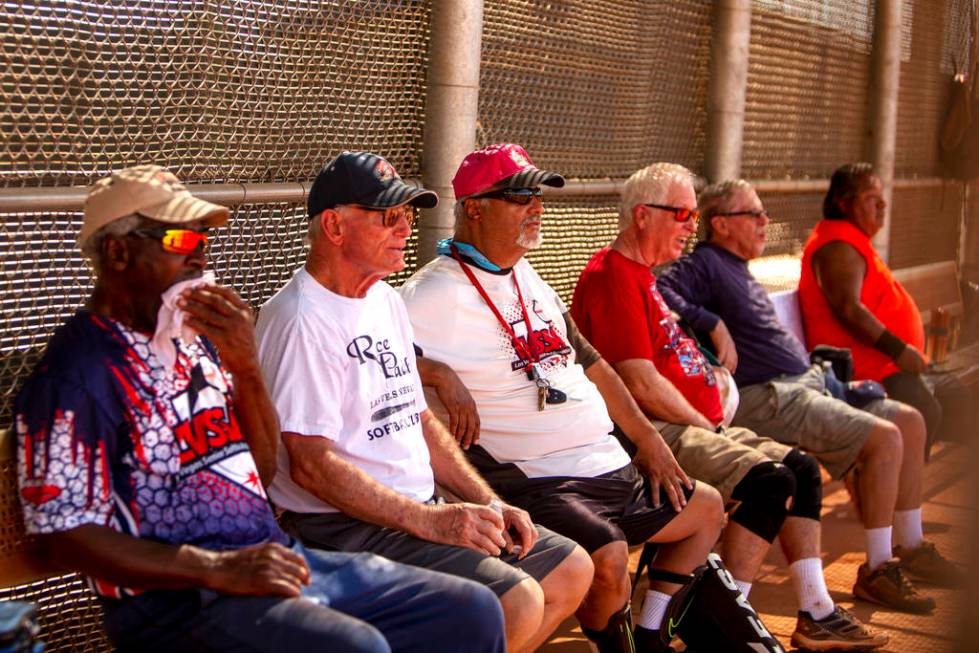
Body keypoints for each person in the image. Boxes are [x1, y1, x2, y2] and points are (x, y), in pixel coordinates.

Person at [15, 165, 507, 653]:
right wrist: (214, 568)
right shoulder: (76, 373)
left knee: (471, 612)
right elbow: (60, 537)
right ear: (118, 252)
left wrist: (246, 368)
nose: (200, 261)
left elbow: (262, 468)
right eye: (182, 244)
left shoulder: (192, 345)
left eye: (204, 242)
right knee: (357, 647)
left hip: (268, 559)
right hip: (177, 599)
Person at [255, 151, 591, 653]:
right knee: (515, 600)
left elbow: (418, 416)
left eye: (408, 215)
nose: (405, 229)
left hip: (414, 509)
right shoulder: (302, 318)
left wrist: (485, 500)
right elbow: (310, 464)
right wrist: (429, 521)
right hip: (344, 528)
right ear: (333, 225)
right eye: (388, 217)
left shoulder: (384, 300)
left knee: (569, 568)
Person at [401, 144, 731, 653]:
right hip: (541, 478)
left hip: (607, 461)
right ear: (473, 207)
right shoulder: (428, 293)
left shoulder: (531, 278)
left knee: (706, 509)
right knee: (610, 559)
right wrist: (436, 371)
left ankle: (651, 634)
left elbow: (594, 365)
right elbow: (375, 364)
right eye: (519, 196)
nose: (535, 206)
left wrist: (648, 440)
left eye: (538, 195)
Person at [572, 162, 889, 650]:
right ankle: (716, 621)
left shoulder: (644, 274)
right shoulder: (613, 276)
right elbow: (638, 381)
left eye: (694, 217)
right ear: (641, 215)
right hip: (653, 431)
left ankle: (810, 608)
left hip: (692, 420)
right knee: (769, 482)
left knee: (800, 470)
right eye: (681, 213)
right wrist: (706, 420)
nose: (690, 226)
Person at [657, 178, 957, 614]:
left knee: (910, 420)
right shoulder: (705, 262)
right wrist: (712, 323)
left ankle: (910, 543)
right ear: (720, 224)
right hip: (771, 395)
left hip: (810, 384)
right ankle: (876, 567)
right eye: (753, 214)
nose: (765, 222)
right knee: (886, 436)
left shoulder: (737, 265)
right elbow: (660, 291)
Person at [798, 162, 973, 451]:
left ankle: (914, 482)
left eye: (881, 197)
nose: (882, 204)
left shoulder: (852, 239)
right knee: (925, 415)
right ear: (843, 203)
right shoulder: (837, 245)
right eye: (870, 198)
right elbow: (848, 309)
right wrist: (899, 349)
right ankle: (902, 492)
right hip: (870, 371)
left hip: (895, 364)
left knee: (962, 406)